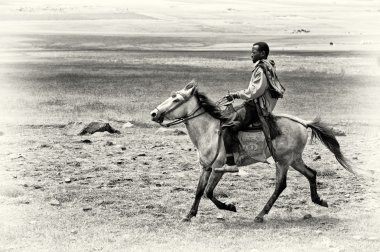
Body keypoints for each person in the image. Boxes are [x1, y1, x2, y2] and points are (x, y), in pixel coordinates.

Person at [215, 42, 285, 173]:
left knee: (227, 126)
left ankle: (230, 163)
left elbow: (255, 91)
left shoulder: (261, 69)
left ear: (262, 53)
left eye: (254, 52)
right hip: (257, 104)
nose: (251, 54)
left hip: (256, 107)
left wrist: (236, 95)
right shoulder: (267, 66)